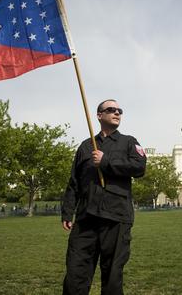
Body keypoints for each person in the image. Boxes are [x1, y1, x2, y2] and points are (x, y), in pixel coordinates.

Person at [61, 99, 147, 295]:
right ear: (99, 115)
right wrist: (67, 212)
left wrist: (106, 161)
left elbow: (139, 167)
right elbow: (74, 182)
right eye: (111, 110)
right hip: (86, 219)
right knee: (75, 274)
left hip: (116, 218)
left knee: (112, 276)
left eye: (119, 110)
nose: (117, 113)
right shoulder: (85, 147)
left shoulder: (129, 142)